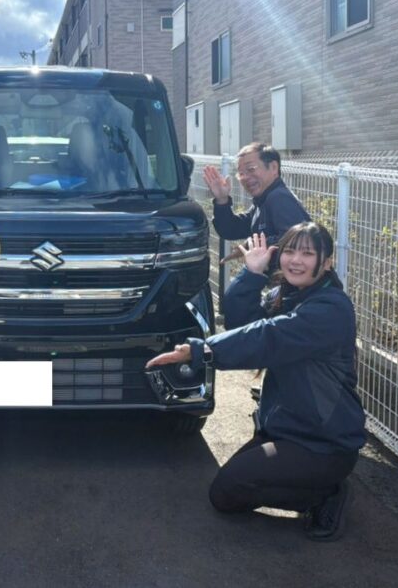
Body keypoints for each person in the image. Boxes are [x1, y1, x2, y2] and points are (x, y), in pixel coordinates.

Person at [146, 223, 365, 541]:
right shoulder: (286, 295)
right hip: (284, 431)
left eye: (307, 253)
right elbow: (240, 323)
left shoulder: (331, 308)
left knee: (227, 489)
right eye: (290, 251)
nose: (296, 260)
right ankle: (312, 486)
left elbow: (268, 337)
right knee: (228, 493)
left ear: (327, 262)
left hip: (322, 444)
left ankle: (326, 495)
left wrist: (202, 350)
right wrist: (251, 274)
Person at [203, 141, 310, 255]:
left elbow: (296, 241)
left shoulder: (279, 198)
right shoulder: (262, 202)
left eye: (251, 169)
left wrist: (253, 246)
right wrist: (222, 199)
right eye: (241, 173)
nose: (245, 177)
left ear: (273, 167)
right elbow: (231, 230)